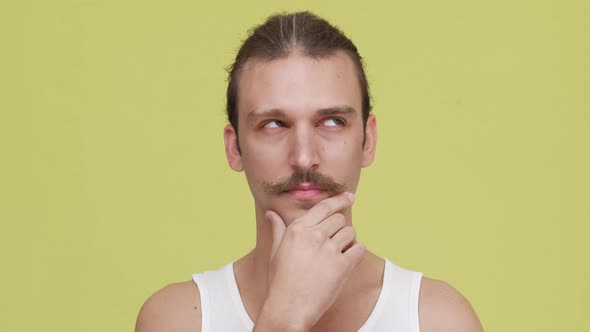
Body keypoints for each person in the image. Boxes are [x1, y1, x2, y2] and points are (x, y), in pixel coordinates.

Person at [135, 11, 483, 332]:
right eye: (274, 124)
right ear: (234, 147)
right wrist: (282, 319)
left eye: (332, 121)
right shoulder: (177, 319)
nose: (303, 157)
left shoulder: (438, 319)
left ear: (368, 140)